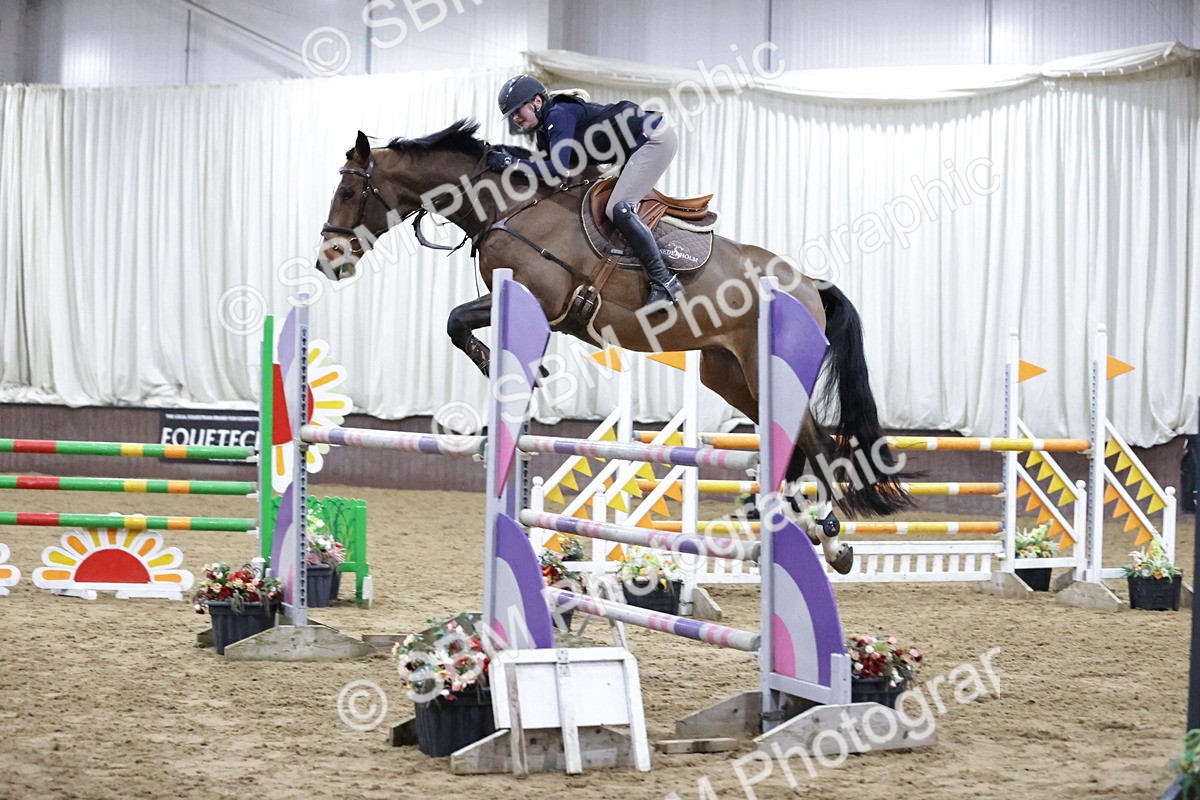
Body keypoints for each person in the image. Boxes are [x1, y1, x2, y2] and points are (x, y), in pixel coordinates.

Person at [491, 74, 683, 309]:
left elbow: (557, 169)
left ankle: (664, 280)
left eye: (517, 110)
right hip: (634, 148)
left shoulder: (558, 114)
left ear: (537, 102)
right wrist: (508, 159)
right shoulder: (544, 133)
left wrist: (512, 163)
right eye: (511, 115)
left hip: (653, 139)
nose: (515, 119)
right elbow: (544, 169)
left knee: (618, 209)